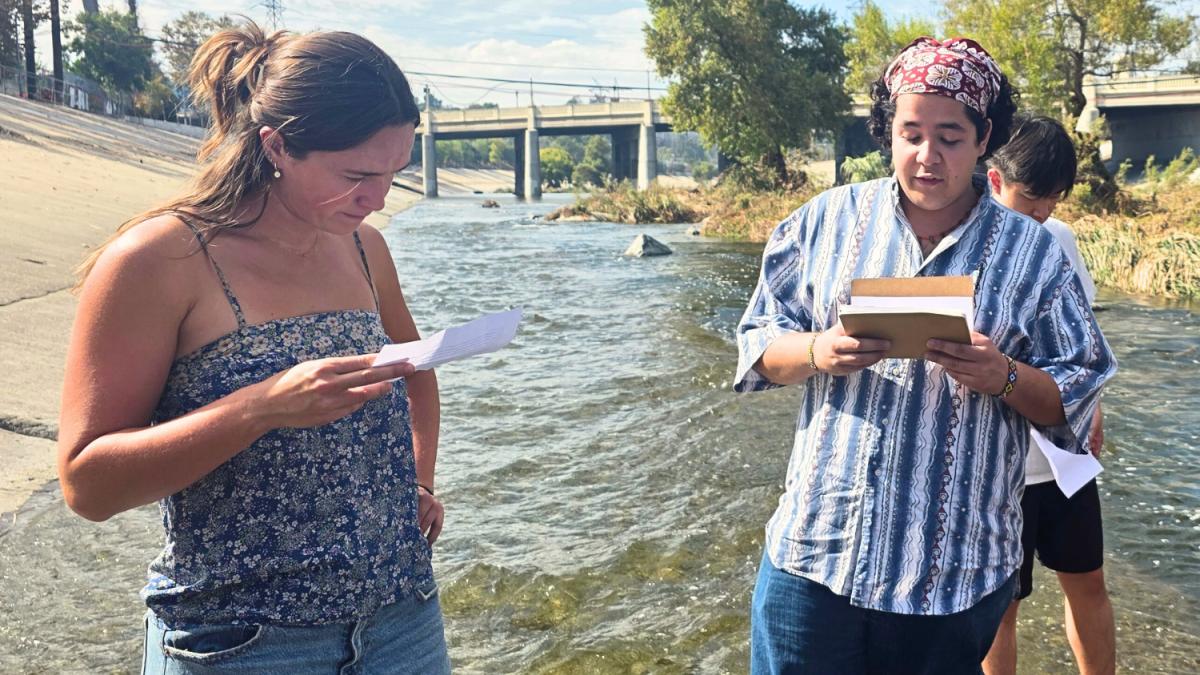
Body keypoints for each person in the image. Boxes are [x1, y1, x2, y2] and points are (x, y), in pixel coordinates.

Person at [56, 22, 451, 673]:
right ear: (277, 146)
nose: (378, 199)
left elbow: (417, 369)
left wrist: (418, 476)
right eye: (356, 174)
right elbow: (86, 485)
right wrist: (259, 406)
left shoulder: (364, 246)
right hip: (240, 641)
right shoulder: (161, 260)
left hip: (401, 619)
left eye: (393, 174)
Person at [735, 37, 1117, 673]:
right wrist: (816, 349)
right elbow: (757, 345)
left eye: (949, 137)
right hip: (814, 557)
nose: (927, 157)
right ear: (889, 130)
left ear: (984, 137)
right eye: (910, 134)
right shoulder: (824, 222)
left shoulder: (1036, 254)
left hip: (954, 575)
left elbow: (1078, 389)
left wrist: (1005, 376)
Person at [982, 116, 1116, 675]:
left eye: (1053, 201)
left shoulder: (1059, 240)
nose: (1041, 213)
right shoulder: (967, 244)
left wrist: (1096, 409)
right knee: (1002, 605)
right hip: (1000, 464)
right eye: (1030, 198)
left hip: (1065, 456)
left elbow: (1084, 345)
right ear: (994, 182)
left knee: (1087, 581)